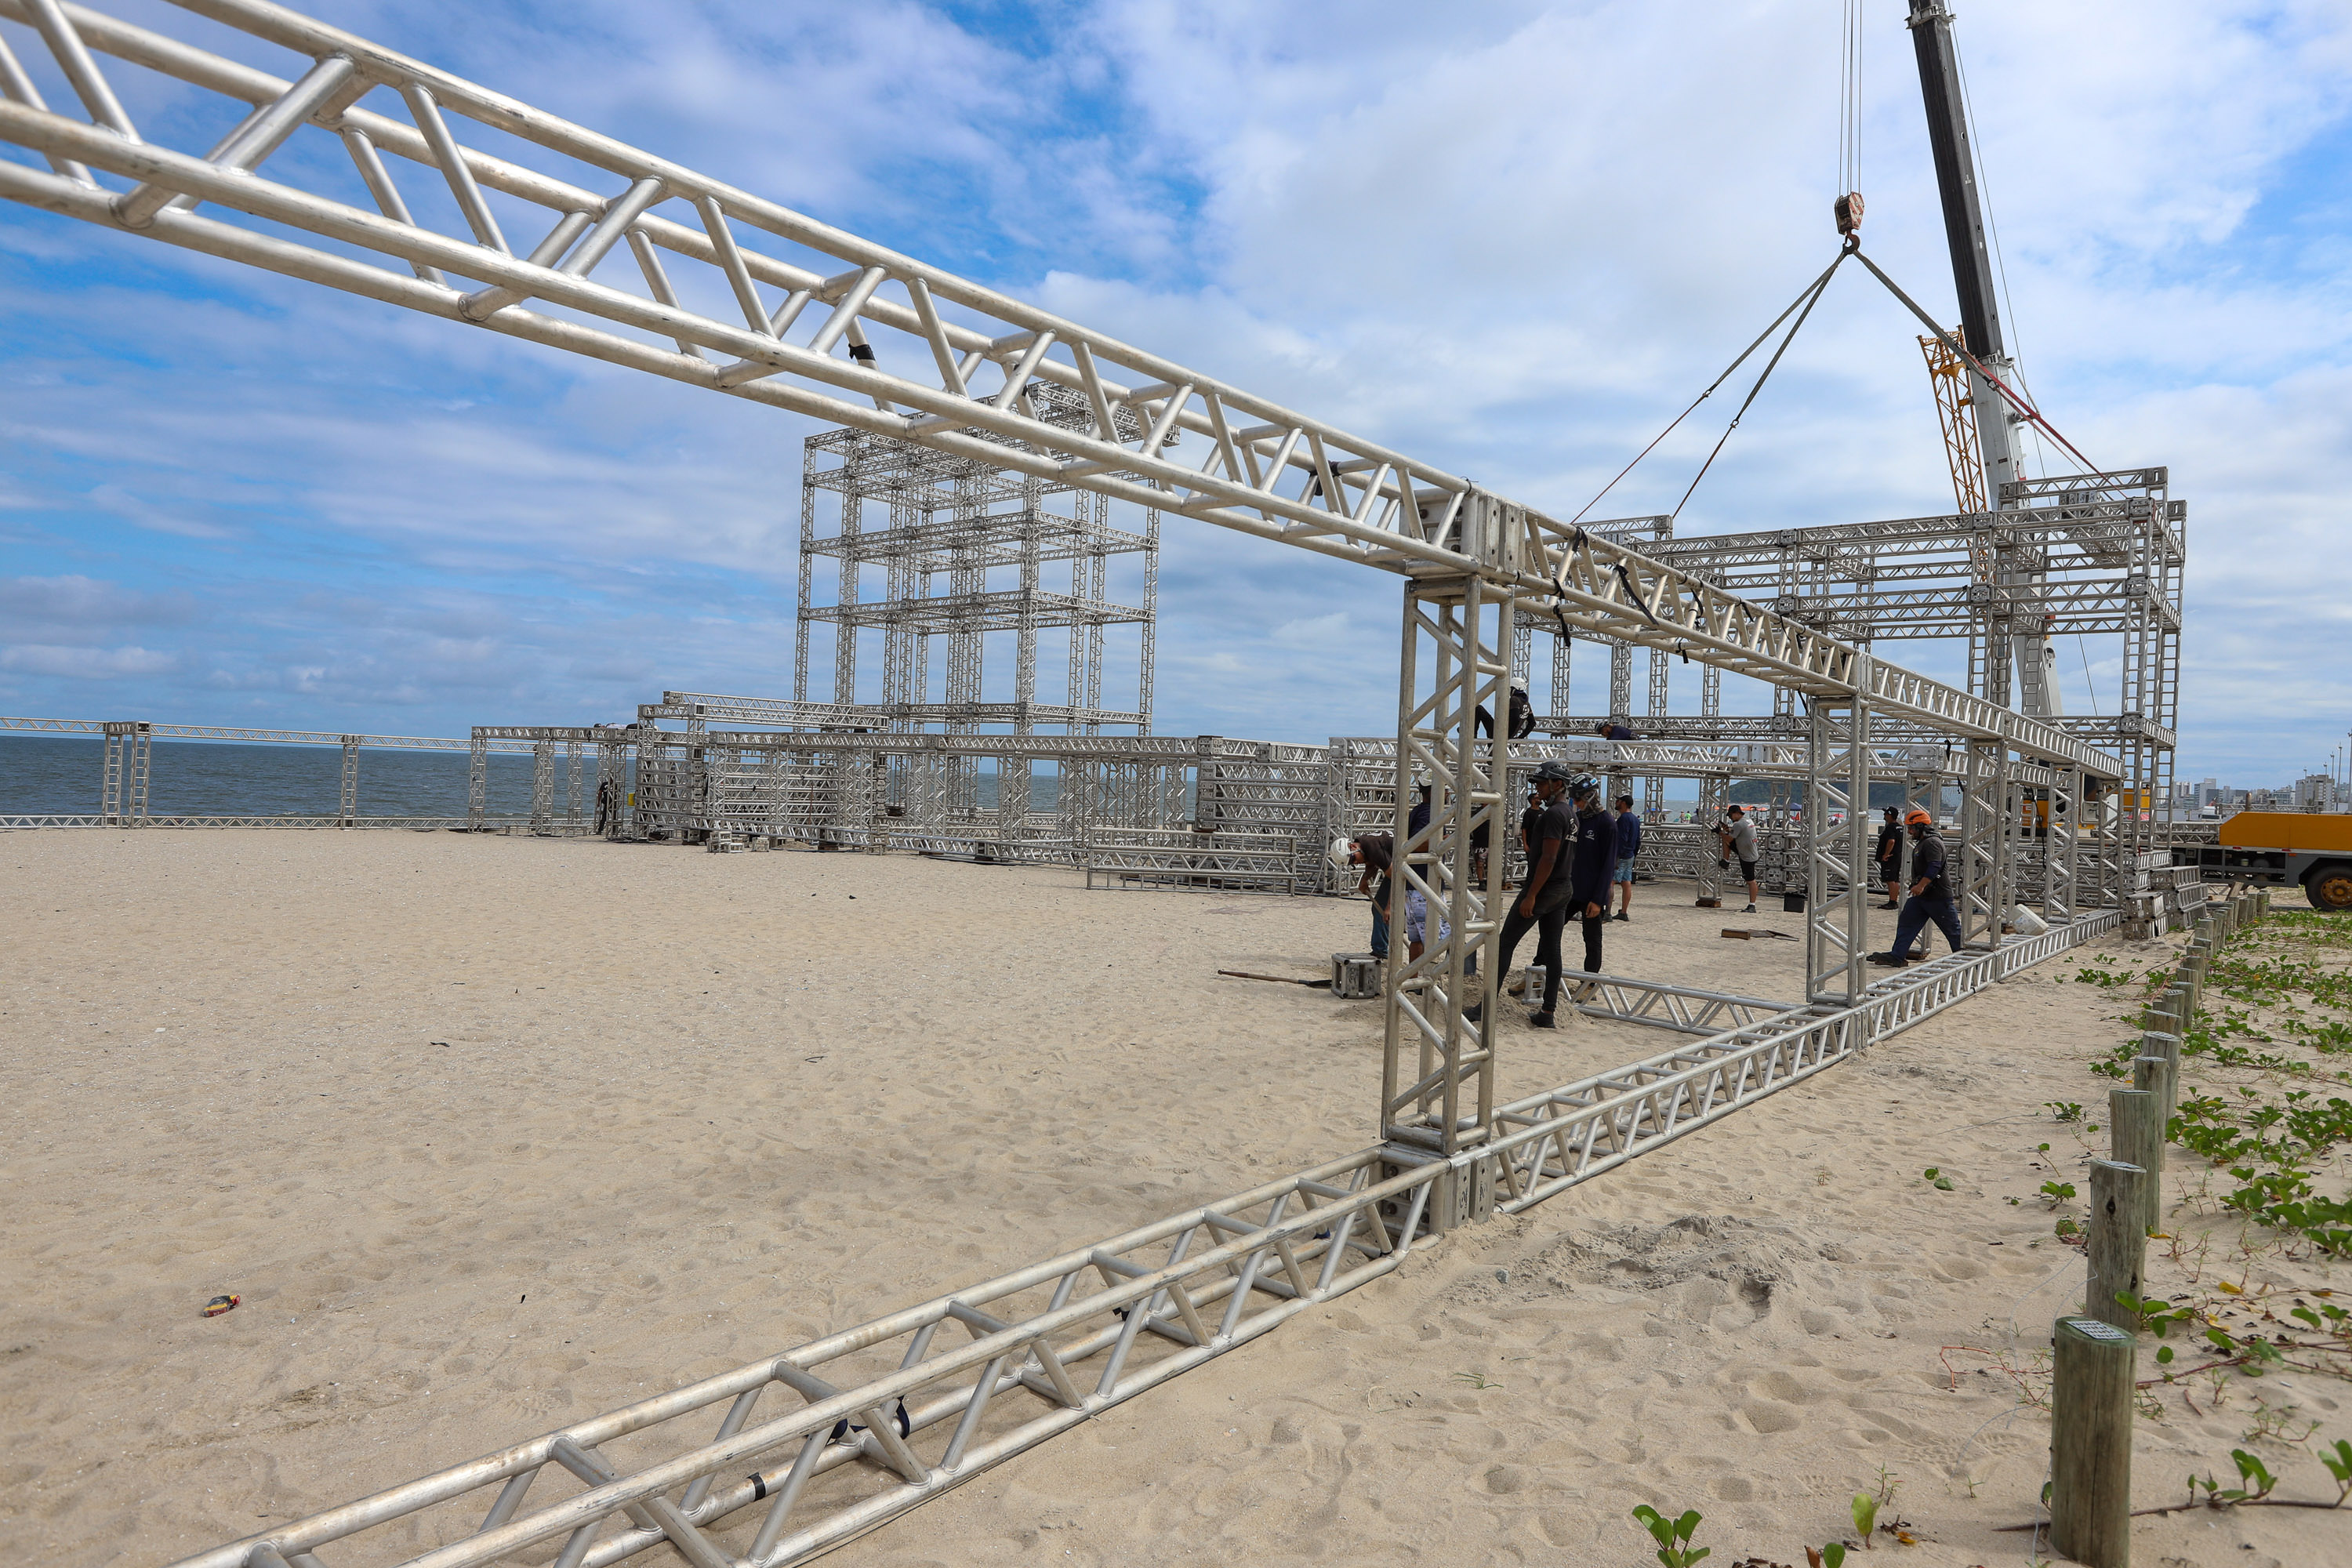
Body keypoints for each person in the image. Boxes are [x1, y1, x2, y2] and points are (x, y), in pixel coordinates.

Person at [1468, 761, 1578, 1029]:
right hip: (1563, 888)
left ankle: (1486, 1006)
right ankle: (1548, 1012)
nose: (1537, 788)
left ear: (1558, 785)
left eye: (1542, 783)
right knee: (1552, 950)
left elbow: (1548, 858)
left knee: (1505, 944)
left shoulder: (1553, 815)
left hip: (1544, 888)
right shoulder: (1571, 814)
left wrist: (1531, 895)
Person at [1871, 809, 1963, 964]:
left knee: (1952, 931)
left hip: (1937, 896)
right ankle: (1897, 955)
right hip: (1922, 896)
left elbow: (1935, 866)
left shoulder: (1932, 843)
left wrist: (1921, 885)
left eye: (1912, 828)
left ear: (1921, 827)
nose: (1910, 831)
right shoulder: (1924, 842)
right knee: (1907, 923)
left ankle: (1963, 956)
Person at [1565, 777, 1617, 985]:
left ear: (1590, 796)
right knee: (1550, 931)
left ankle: (1589, 984)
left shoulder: (1607, 824)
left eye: (1578, 798)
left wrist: (1598, 900)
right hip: (1569, 890)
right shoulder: (1577, 820)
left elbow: (1608, 866)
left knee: (1592, 941)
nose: (1575, 803)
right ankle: (1539, 972)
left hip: (1591, 895)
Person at [1348, 833, 1395, 960]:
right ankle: (1380, 949)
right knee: (1379, 908)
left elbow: (1397, 878)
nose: (1356, 863)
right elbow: (1371, 862)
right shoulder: (1365, 843)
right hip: (1400, 868)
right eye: (1352, 863)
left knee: (1383, 910)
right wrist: (1365, 879)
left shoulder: (1372, 847)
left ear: (1352, 846)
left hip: (1409, 870)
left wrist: (1390, 907)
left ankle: (1380, 950)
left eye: (1353, 859)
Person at [1717, 804, 1760, 913]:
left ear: (1736, 813)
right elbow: (1735, 833)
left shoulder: (1738, 825)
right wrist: (1727, 830)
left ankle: (1752, 905)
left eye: (1731, 816)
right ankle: (1726, 860)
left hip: (1746, 856)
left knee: (1751, 881)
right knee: (1726, 841)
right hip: (1750, 851)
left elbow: (1729, 838)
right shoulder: (1748, 821)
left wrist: (1720, 833)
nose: (1730, 818)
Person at [1610, 793, 1641, 919]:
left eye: (1618, 800)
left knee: (1609, 882)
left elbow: (1622, 839)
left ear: (1623, 803)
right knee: (1626, 882)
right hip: (1630, 855)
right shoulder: (1635, 819)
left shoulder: (1623, 819)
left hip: (1622, 855)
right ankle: (1623, 911)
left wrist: (1616, 855)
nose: (1616, 802)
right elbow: (1638, 840)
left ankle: (1607, 912)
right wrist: (1634, 854)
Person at [1874, 805, 1904, 909]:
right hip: (1897, 856)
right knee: (1895, 880)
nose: (1884, 815)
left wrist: (1886, 854)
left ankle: (1892, 901)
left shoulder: (1891, 827)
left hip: (1890, 857)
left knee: (1890, 879)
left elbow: (1891, 841)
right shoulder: (1900, 827)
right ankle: (1894, 900)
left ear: (1890, 816)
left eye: (1886, 814)